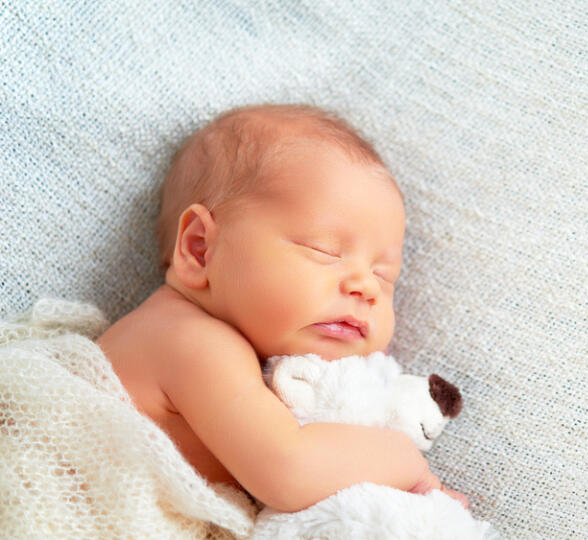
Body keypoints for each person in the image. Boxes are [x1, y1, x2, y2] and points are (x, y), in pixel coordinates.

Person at [95, 104, 467, 512]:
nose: (365, 287)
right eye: (324, 250)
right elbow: (289, 470)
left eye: (384, 275)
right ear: (200, 249)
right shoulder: (186, 340)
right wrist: (408, 463)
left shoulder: (253, 370)